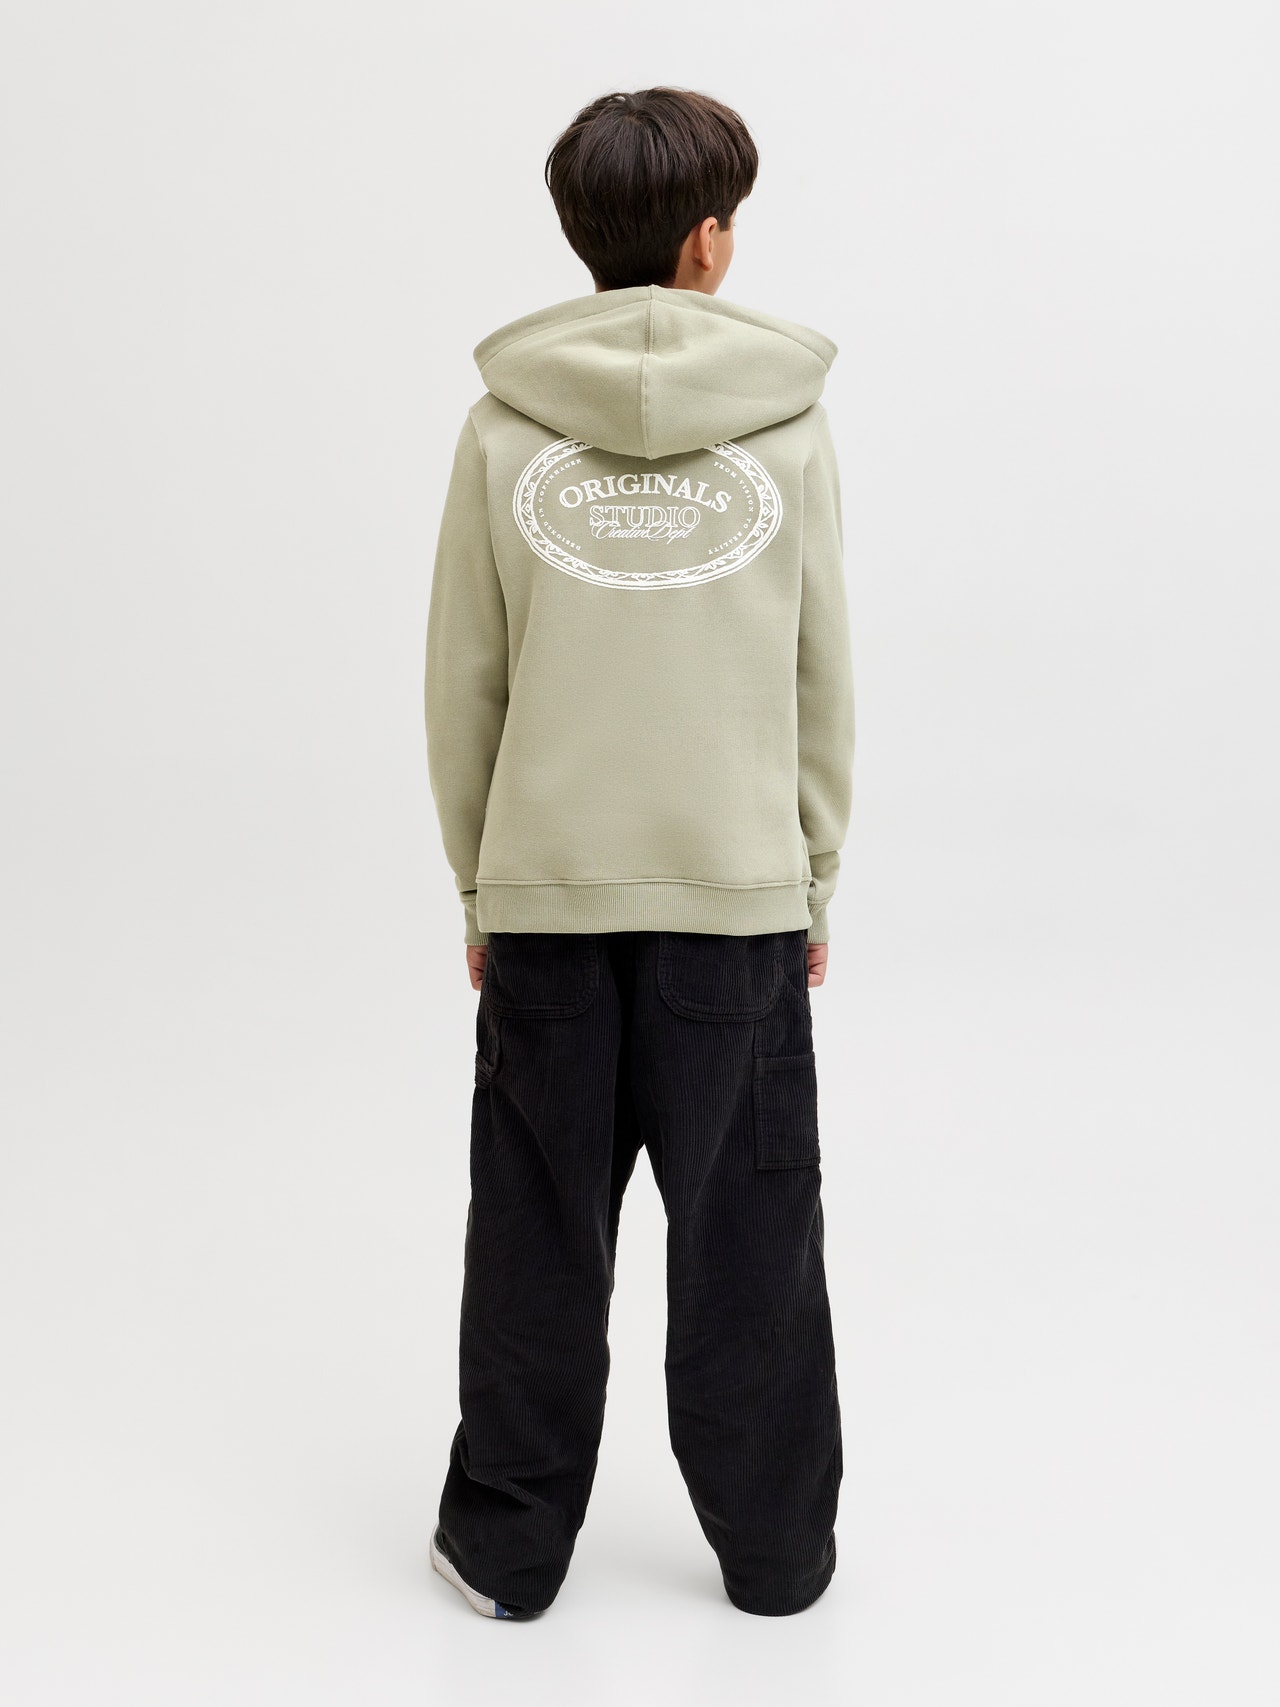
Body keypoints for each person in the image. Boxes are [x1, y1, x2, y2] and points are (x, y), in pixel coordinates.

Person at [423, 86, 855, 1620]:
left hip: (547, 896)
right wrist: (810, 872)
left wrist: (483, 884)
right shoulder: (787, 426)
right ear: (707, 242)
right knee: (752, 1229)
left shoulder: (502, 428)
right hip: (733, 902)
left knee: (535, 1228)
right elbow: (819, 674)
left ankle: (506, 1551)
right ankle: (776, 1557)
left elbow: (465, 679)